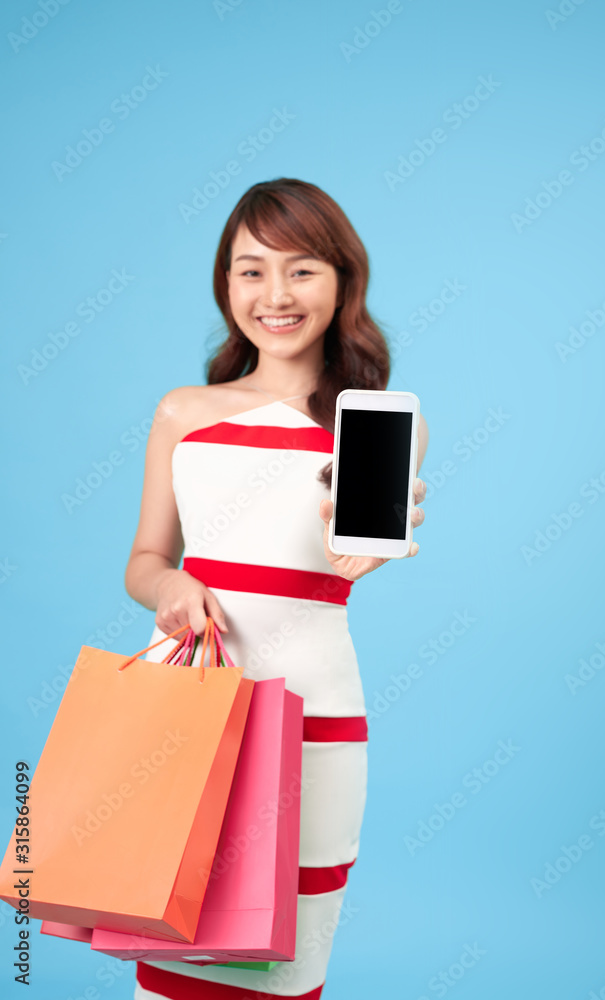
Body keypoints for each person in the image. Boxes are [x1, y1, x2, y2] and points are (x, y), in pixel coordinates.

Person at [124, 177, 428, 999]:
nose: (275, 294)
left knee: (285, 953)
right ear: (226, 284)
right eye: (250, 270)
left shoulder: (371, 422)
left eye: (301, 270)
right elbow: (145, 558)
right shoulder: (184, 411)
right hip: (189, 703)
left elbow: (354, 555)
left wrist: (379, 537)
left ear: (341, 281)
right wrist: (173, 585)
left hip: (313, 707)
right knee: (169, 925)